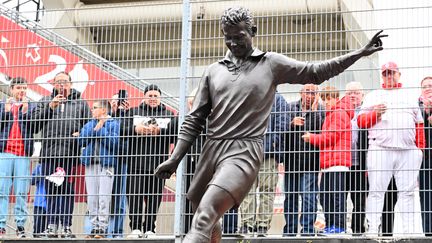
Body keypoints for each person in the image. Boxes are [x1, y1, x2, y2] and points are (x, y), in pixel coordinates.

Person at [154, 7, 386, 243]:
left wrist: (359, 53)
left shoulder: (270, 64)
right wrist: (175, 158)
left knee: (203, 218)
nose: (233, 43)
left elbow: (314, 72)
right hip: (212, 151)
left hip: (244, 151)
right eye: (228, 37)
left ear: (252, 31)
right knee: (207, 218)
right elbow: (194, 118)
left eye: (239, 36)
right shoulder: (214, 70)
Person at [357, 61, 424, 237]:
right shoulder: (373, 95)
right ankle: (372, 229)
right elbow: (360, 122)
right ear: (382, 76)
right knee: (376, 191)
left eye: (392, 72)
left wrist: (420, 150)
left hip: (407, 150)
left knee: (407, 192)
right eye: (386, 73)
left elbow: (419, 124)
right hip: (380, 148)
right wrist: (374, 114)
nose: (389, 76)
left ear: (399, 74)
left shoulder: (410, 95)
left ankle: (409, 232)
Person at [31, 71, 91, 238]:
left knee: (66, 190)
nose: (61, 85)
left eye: (64, 82)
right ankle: (51, 224)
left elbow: (89, 126)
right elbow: (34, 125)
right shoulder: (45, 101)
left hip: (69, 154)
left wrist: (81, 134)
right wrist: (51, 107)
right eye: (58, 82)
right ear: (53, 85)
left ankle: (65, 225)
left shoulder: (80, 103)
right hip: (49, 153)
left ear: (71, 84)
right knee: (50, 189)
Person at [126, 84, 177, 238]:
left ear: (160, 98)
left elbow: (175, 135)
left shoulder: (169, 114)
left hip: (158, 165)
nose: (153, 99)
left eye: (156, 96)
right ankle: (135, 228)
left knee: (154, 197)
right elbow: (122, 130)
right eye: (150, 96)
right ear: (145, 96)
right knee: (134, 196)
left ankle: (150, 229)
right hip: (135, 163)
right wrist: (136, 130)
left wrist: (160, 131)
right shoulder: (134, 112)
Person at [303, 86, 354, 234]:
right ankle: (332, 225)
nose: (326, 102)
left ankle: (339, 227)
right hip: (329, 164)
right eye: (324, 99)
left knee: (336, 197)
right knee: (326, 197)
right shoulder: (331, 114)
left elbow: (330, 137)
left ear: (336, 98)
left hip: (337, 164)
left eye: (328, 98)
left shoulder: (338, 113)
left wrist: (311, 137)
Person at [239, 92, 288, 237]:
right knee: (247, 190)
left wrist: (272, 143)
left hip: (269, 154)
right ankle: (247, 223)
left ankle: (262, 225)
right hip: (248, 153)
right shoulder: (247, 96)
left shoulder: (278, 99)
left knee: (267, 191)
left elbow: (283, 123)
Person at [283, 84, 324, 236]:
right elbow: (282, 130)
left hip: (311, 162)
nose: (310, 96)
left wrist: (314, 111)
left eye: (314, 93)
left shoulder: (320, 109)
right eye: (308, 92)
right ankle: (290, 231)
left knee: (309, 197)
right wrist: (291, 124)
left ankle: (307, 229)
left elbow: (321, 130)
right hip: (292, 161)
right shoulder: (290, 107)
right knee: (291, 197)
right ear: (301, 92)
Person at [0, 77, 35, 238]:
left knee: (21, 191)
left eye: (25, 87)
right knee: (2, 190)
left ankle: (20, 225)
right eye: (19, 87)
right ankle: (1, 225)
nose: (22, 91)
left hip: (23, 153)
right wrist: (6, 111)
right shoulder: (3, 105)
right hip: (5, 152)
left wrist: (26, 111)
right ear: (12, 89)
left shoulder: (31, 106)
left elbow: (34, 127)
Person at [79, 100, 120, 238]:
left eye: (95, 108)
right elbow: (81, 140)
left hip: (106, 165)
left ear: (103, 110)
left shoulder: (113, 124)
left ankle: (102, 227)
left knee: (104, 196)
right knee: (92, 198)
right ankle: (93, 227)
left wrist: (101, 128)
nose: (92, 110)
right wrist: (95, 128)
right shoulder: (89, 124)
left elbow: (114, 143)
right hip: (90, 164)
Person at [344, 82, 368, 235]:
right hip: (343, 163)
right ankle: (338, 228)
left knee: (359, 199)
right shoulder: (341, 111)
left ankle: (357, 230)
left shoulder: (366, 111)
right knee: (339, 198)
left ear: (362, 95)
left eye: (356, 93)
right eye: (349, 93)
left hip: (360, 164)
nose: (352, 95)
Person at [108, 93, 130, 238]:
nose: (118, 103)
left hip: (123, 160)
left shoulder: (129, 116)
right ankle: (102, 230)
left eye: (121, 101)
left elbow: (128, 134)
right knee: (102, 197)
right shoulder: (107, 116)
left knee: (119, 197)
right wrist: (112, 113)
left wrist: (126, 114)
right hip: (106, 160)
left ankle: (117, 232)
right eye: (116, 100)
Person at [419, 76, 432, 236]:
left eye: (430, 85)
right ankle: (428, 232)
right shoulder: (417, 106)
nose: (428, 88)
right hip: (425, 159)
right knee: (426, 196)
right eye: (425, 86)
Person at [32, 164, 47, 238]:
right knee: (37, 232)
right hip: (39, 204)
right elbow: (31, 181)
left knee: (48, 233)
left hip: (52, 206)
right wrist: (38, 176)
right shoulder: (39, 167)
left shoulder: (57, 167)